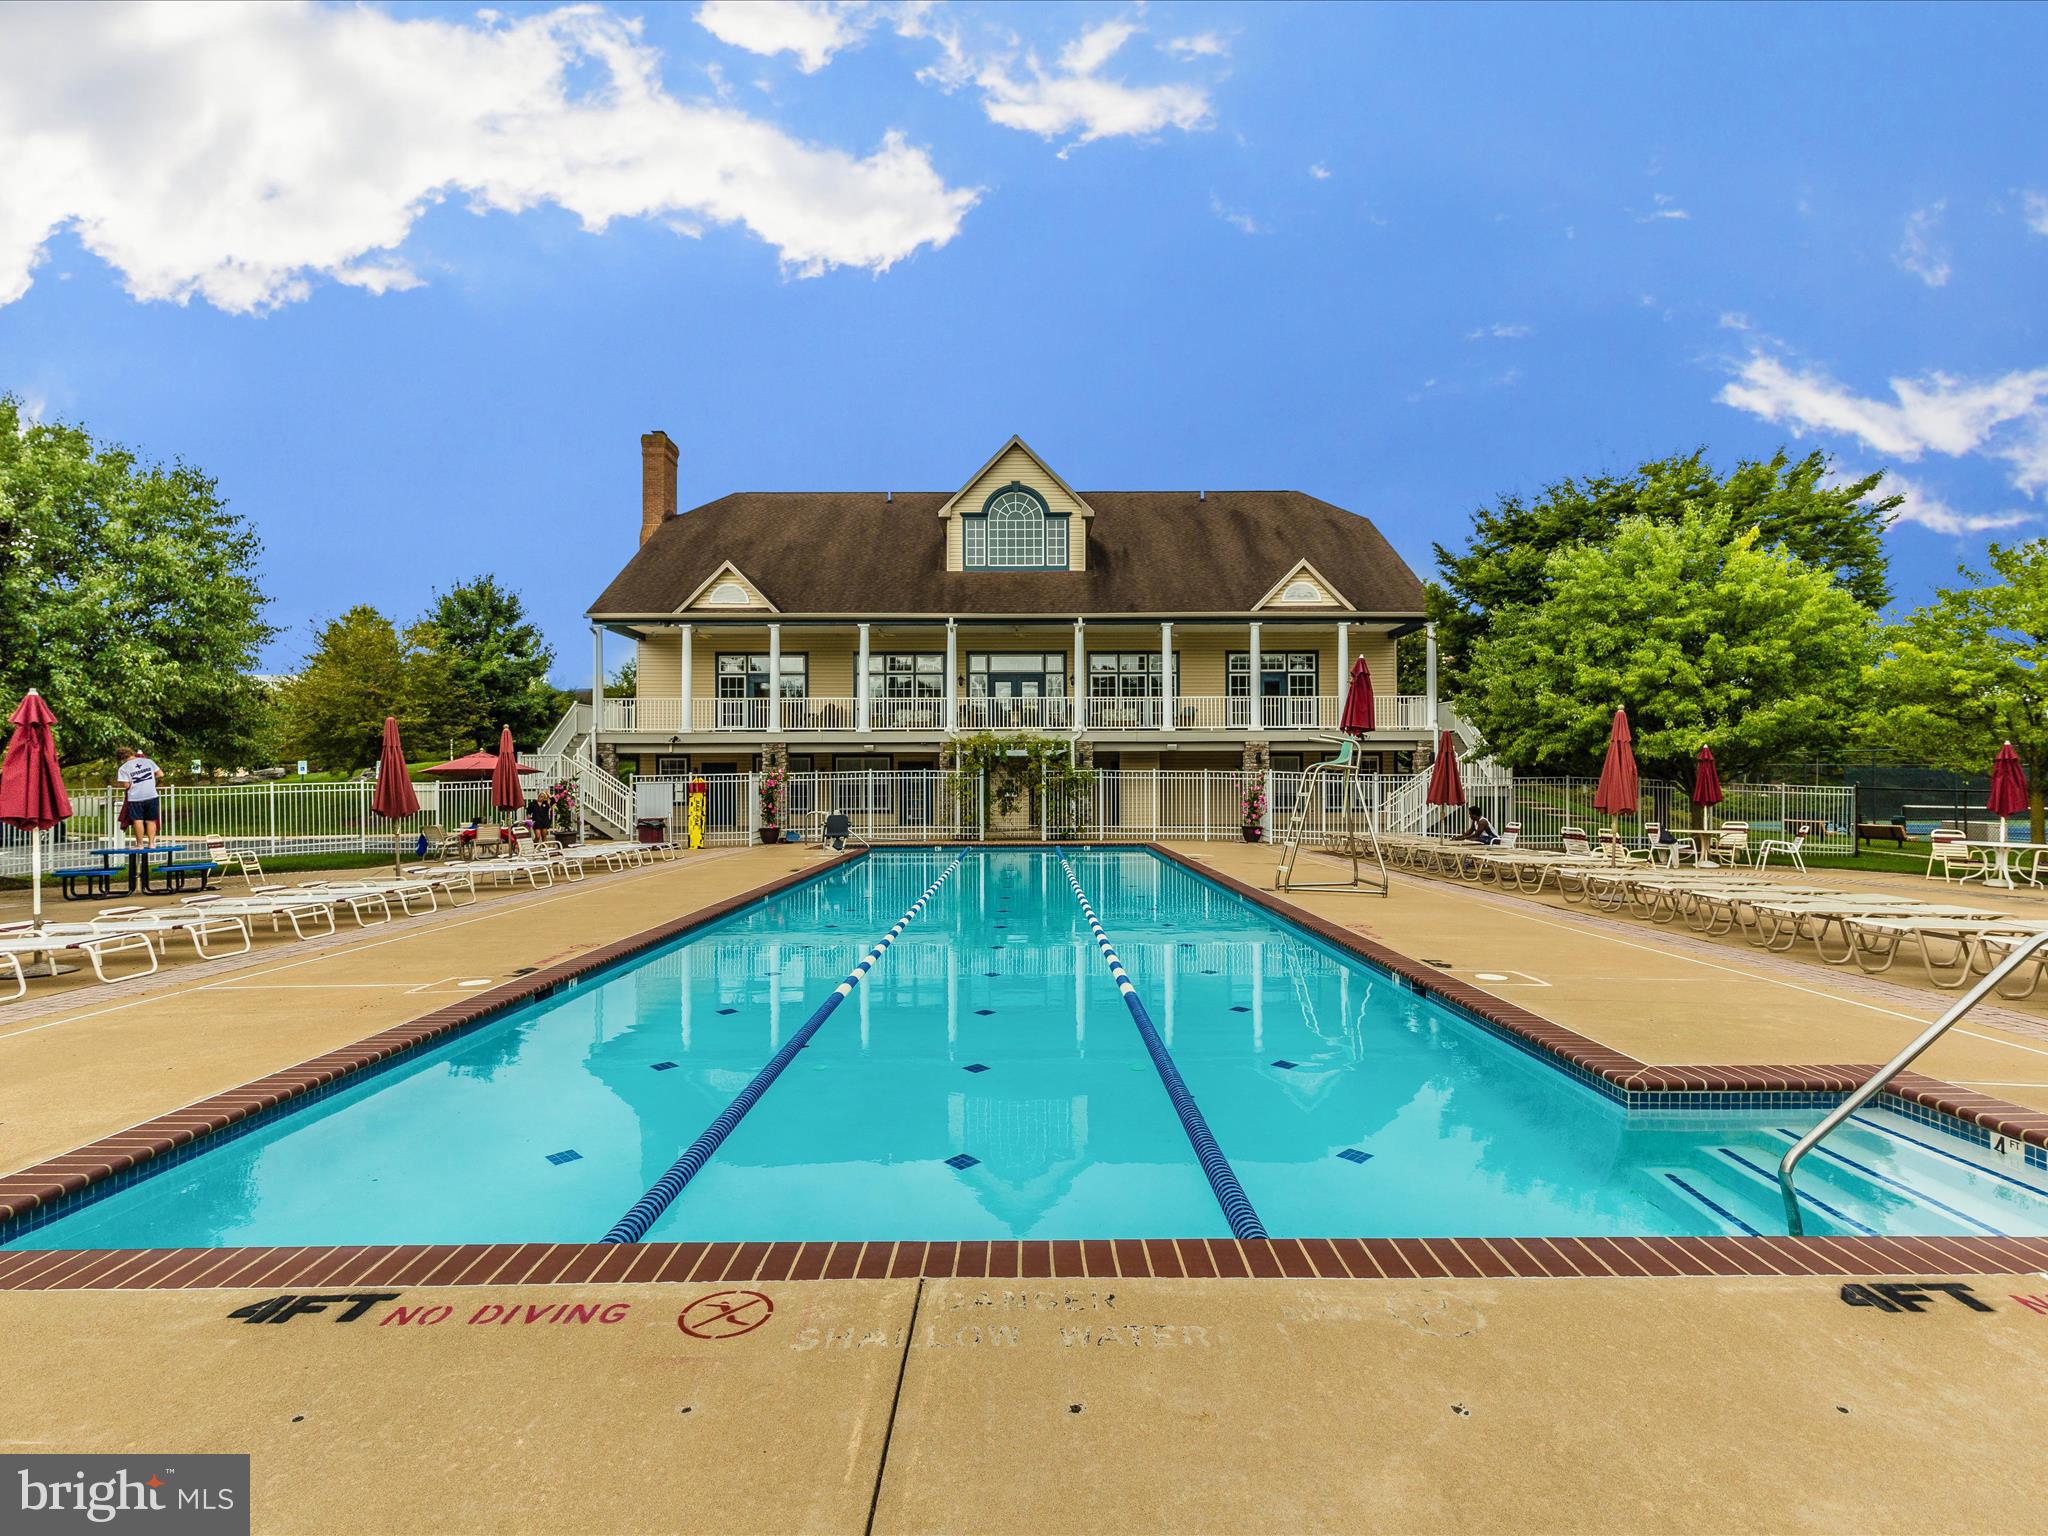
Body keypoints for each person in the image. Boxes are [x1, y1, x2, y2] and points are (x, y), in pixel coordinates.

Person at [113, 747, 165, 848]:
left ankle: (140, 844)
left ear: (121, 758)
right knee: (151, 820)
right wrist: (149, 779)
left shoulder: (123, 768)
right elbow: (160, 774)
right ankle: (151, 843)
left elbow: (127, 785)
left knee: (138, 820)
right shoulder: (148, 761)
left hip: (135, 797)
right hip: (152, 795)